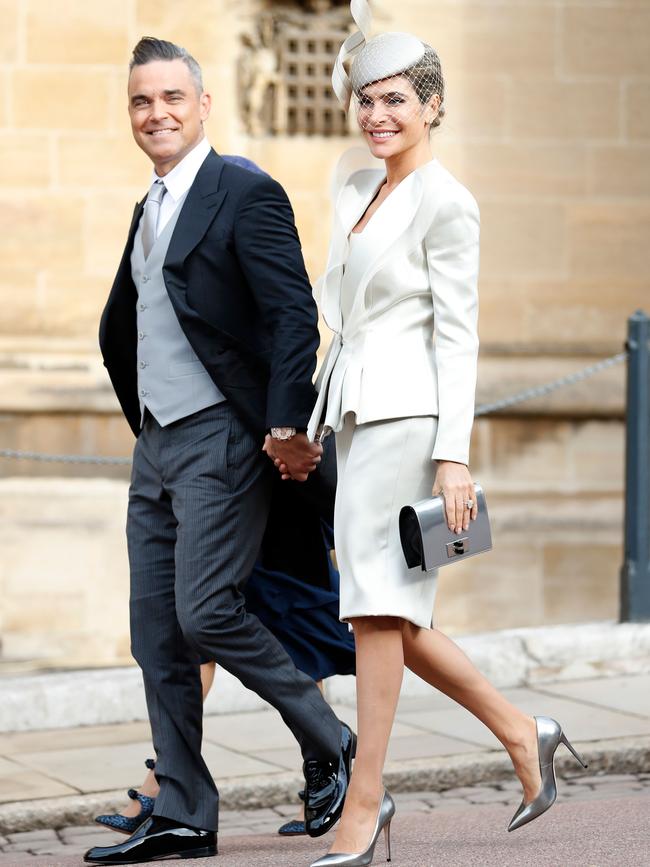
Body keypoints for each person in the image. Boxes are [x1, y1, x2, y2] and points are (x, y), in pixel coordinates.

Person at [280, 5, 586, 865]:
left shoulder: (448, 201)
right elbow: (344, 315)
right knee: (385, 609)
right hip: (356, 413)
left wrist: (454, 451)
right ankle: (523, 732)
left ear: (434, 104)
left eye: (396, 101)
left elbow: (459, 331)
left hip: (411, 422)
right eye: (367, 100)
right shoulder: (357, 184)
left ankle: (367, 799)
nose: (377, 116)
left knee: (376, 610)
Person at [84, 37, 355, 866]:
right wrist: (146, 420)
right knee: (155, 633)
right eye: (141, 101)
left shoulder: (244, 190)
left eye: (171, 97)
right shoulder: (150, 203)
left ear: (203, 105)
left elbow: (291, 318)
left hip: (224, 438)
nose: (156, 113)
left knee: (206, 609)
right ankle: (186, 811)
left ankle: (331, 737)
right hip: (157, 443)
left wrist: (281, 425)